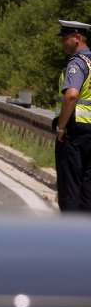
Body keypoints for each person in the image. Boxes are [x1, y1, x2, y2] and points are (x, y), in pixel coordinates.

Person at [53, 20, 91, 212]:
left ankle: (69, 237)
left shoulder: (77, 62)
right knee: (87, 191)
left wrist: (61, 127)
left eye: (65, 38)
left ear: (77, 38)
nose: (62, 42)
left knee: (70, 189)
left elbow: (72, 95)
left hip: (74, 133)